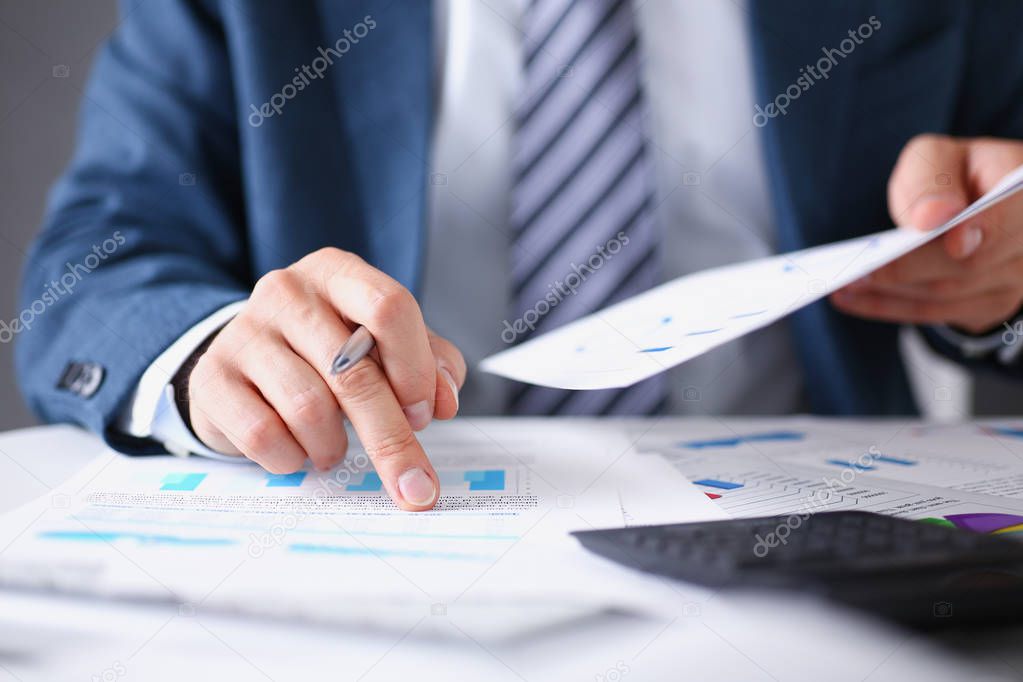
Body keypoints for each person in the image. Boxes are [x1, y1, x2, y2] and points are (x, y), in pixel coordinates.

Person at [16, 0, 1023, 511]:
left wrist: (1000, 279)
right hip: (392, 525)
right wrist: (213, 352)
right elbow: (96, 263)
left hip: (813, 532)